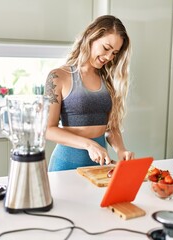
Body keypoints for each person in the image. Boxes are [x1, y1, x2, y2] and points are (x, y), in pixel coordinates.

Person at [44, 15, 134, 172]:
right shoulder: (58, 76)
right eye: (106, 48)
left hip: (98, 168)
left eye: (114, 53)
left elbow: (111, 127)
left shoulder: (108, 79)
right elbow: (48, 129)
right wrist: (89, 144)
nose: (108, 57)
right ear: (92, 36)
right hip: (65, 167)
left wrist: (121, 150)